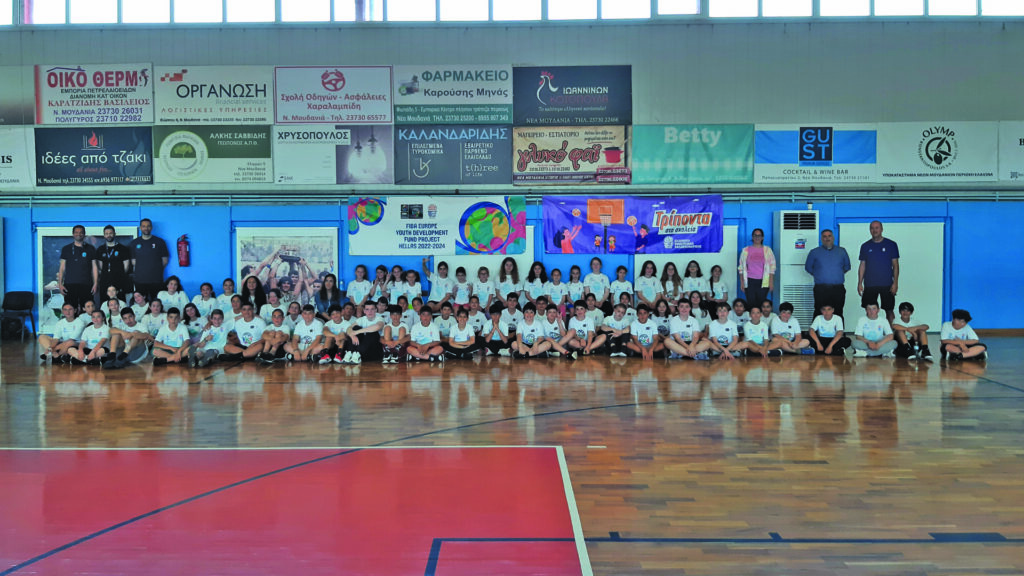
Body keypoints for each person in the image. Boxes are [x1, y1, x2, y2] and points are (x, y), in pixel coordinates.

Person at [857, 220, 900, 324]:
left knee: (889, 310)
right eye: (872, 228)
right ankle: (871, 331)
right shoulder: (865, 246)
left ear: (881, 229)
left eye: (877, 228)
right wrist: (859, 283)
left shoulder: (891, 244)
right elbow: (862, 265)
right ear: (870, 230)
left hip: (887, 284)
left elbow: (895, 265)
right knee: (870, 310)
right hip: (870, 284)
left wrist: (895, 283)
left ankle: (890, 332)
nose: (874, 230)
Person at [804, 229, 851, 319]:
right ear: (821, 239)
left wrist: (835, 274)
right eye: (824, 236)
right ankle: (817, 329)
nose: (827, 238)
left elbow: (847, 267)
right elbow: (808, 268)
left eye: (829, 236)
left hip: (838, 288)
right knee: (819, 312)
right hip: (821, 289)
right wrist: (820, 274)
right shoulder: (814, 252)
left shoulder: (842, 251)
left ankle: (838, 329)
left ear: (833, 238)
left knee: (838, 312)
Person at [58, 225, 99, 312]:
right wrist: (60, 284)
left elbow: (94, 267)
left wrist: (95, 283)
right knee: (71, 309)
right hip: (70, 284)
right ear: (73, 234)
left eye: (81, 232)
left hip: (87, 284)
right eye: (76, 232)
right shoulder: (66, 249)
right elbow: (62, 268)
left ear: (84, 234)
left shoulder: (91, 248)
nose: (79, 234)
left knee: (88, 310)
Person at [130, 218, 169, 301]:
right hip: (140, 280)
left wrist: (154, 269)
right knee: (141, 303)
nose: (146, 228)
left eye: (148, 226)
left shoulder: (160, 242)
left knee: (157, 303)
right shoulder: (134, 243)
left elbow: (165, 261)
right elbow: (133, 262)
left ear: (151, 227)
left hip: (156, 280)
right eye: (143, 226)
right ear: (140, 228)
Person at [738, 228, 776, 310]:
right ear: (752, 237)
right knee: (751, 304)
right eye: (755, 235)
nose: (757, 237)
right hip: (749, 281)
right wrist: (742, 283)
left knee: (761, 304)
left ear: (762, 237)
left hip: (763, 281)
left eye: (759, 236)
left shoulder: (768, 250)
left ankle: (760, 318)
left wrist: (771, 283)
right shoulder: (745, 250)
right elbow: (741, 268)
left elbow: (772, 267)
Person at [95, 225, 131, 304]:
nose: (109, 235)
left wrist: (119, 274)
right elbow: (100, 267)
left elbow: (126, 266)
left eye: (111, 233)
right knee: (104, 302)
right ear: (104, 235)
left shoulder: (123, 249)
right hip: (105, 280)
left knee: (120, 302)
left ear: (114, 234)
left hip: (119, 280)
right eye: (106, 233)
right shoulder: (100, 249)